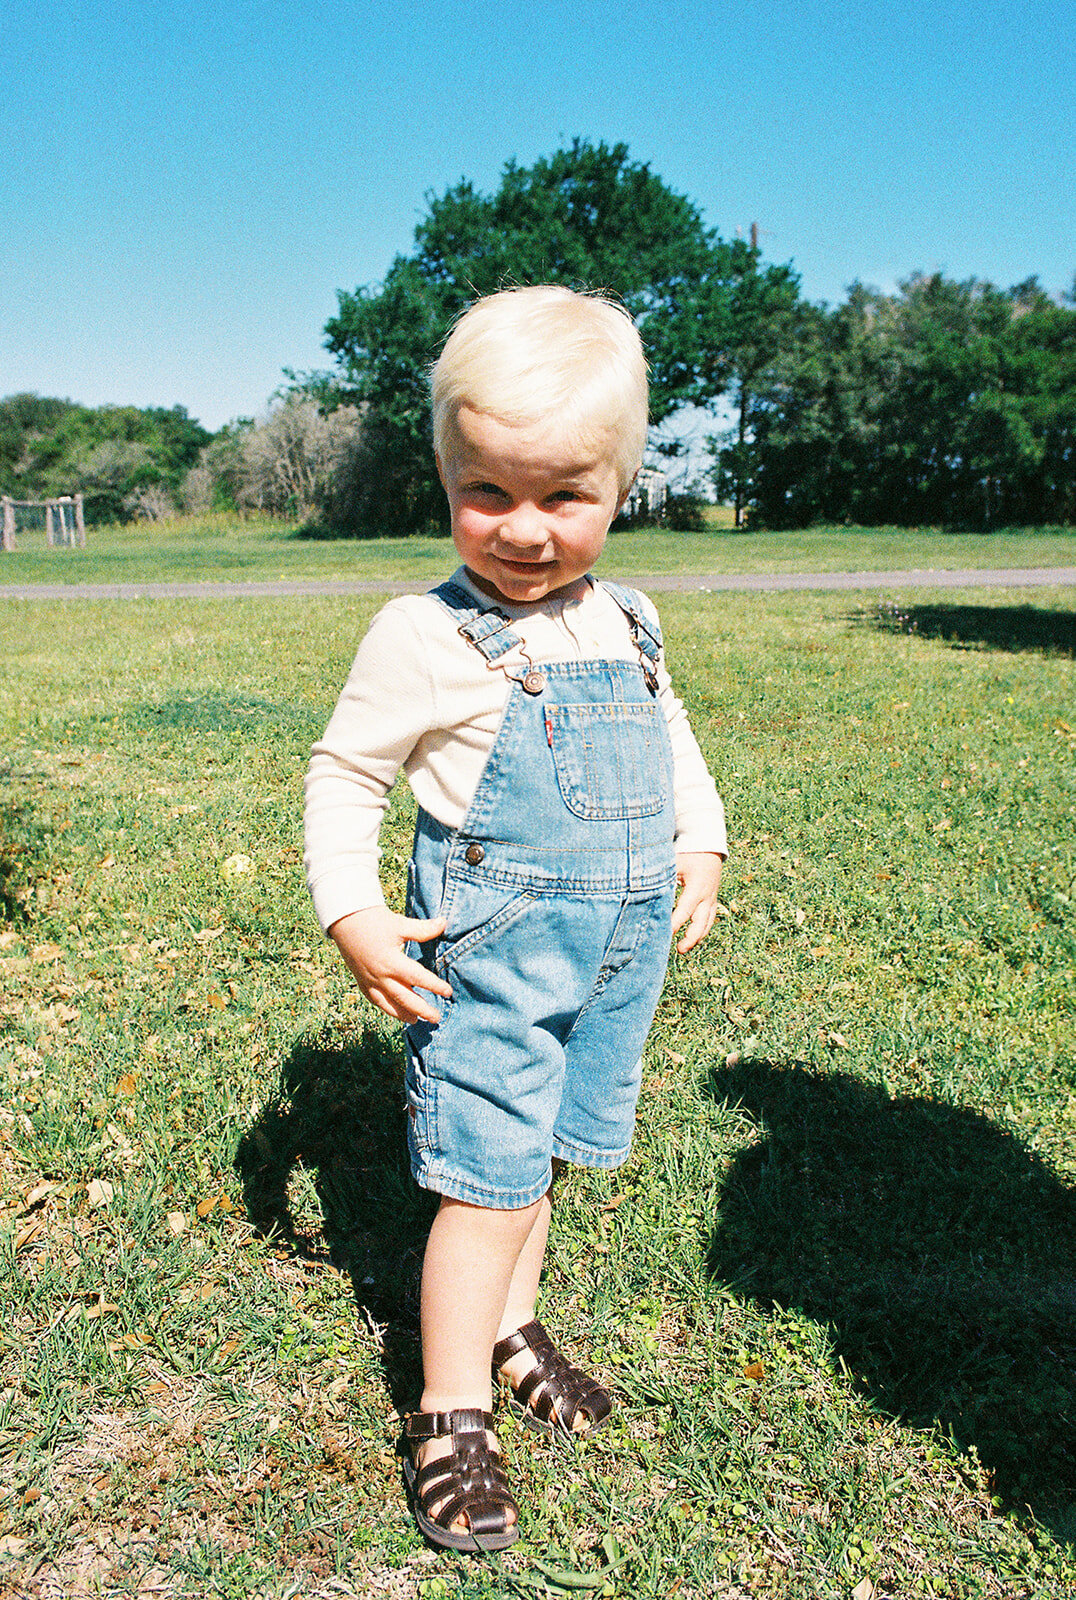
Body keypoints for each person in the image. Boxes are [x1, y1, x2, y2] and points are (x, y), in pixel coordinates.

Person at [304, 285, 727, 1553]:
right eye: (488, 492)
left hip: (611, 949)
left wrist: (697, 835)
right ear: (445, 475)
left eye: (564, 497)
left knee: (537, 1156)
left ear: (622, 486)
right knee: (485, 1182)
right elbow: (344, 774)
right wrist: (355, 908)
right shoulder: (425, 634)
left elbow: (668, 732)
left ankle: (511, 1326)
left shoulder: (630, 618)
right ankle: (450, 1410)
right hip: (485, 960)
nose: (525, 531)